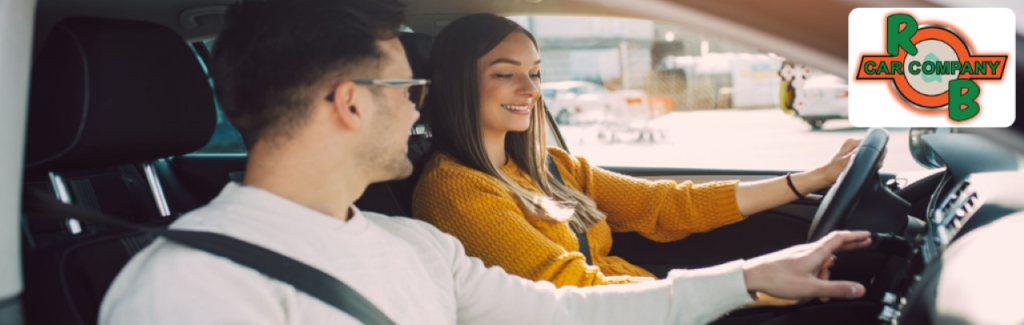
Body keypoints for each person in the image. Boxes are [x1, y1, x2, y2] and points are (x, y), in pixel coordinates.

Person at [99, 1, 872, 324]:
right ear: (350, 103)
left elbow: (567, 312)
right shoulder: (189, 288)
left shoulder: (414, 247)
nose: (420, 108)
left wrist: (749, 278)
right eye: (407, 89)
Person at [412, 13, 862, 290]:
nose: (531, 89)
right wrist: (748, 289)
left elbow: (666, 206)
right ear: (457, 84)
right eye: (505, 74)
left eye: (535, 72)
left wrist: (812, 179)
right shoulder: (456, 190)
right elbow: (572, 291)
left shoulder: (552, 166)